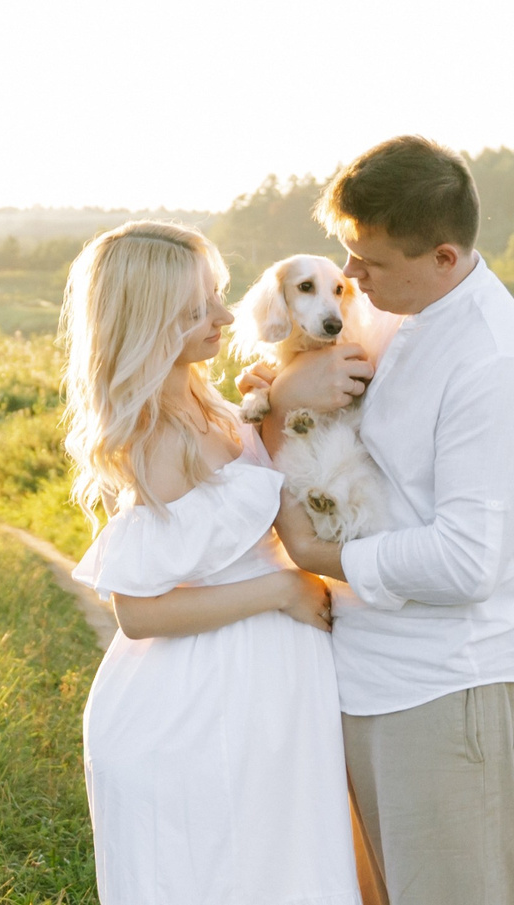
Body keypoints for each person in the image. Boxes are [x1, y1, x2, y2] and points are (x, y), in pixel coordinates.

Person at [257, 136, 514, 905]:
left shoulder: (494, 366)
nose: (351, 279)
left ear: (442, 255)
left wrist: (312, 550)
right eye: (347, 256)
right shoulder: (399, 308)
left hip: (446, 693)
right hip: (370, 677)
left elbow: (467, 562)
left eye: (370, 262)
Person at [64, 220, 364, 905]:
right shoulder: (156, 436)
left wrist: (279, 400)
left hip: (262, 691)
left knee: (287, 870)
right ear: (150, 321)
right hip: (198, 707)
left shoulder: (208, 401)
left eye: (220, 297)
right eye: (200, 309)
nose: (227, 317)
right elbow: (139, 611)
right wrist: (280, 590)